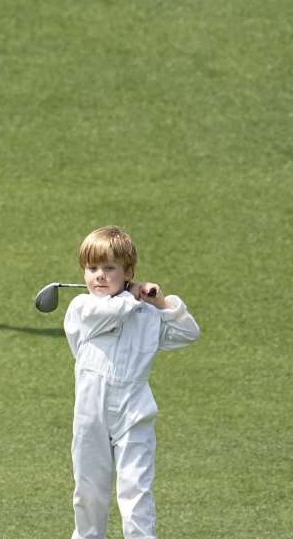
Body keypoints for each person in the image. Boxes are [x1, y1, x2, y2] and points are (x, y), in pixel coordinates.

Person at [62, 226, 202, 539]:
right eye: (91, 268)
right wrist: (132, 292)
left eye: (109, 268)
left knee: (136, 491)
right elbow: (111, 311)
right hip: (91, 413)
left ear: (128, 271)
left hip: (134, 411)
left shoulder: (146, 314)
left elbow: (188, 333)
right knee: (89, 490)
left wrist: (161, 303)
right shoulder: (82, 307)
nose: (99, 275)